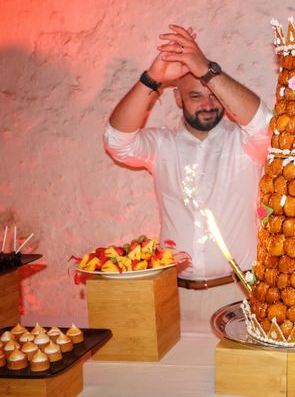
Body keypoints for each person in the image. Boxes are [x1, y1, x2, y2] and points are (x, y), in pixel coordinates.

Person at [104, 24, 271, 297]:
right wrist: (152, 78)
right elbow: (116, 142)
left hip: (239, 292)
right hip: (173, 292)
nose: (207, 105)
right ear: (178, 99)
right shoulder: (162, 145)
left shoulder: (244, 143)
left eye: (213, 95)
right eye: (195, 95)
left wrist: (206, 69)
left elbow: (265, 125)